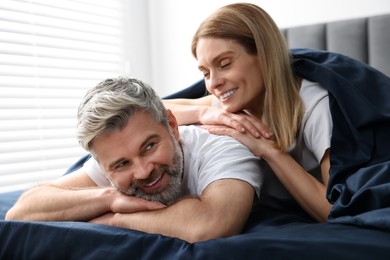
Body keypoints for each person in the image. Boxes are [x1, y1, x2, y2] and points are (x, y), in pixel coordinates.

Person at [163, 2, 390, 225]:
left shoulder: (316, 106)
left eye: (224, 64)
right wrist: (204, 113)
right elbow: (152, 111)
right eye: (205, 72)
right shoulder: (229, 101)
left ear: (264, 55)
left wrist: (270, 151)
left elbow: (336, 209)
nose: (214, 83)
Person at [6, 77, 263, 243]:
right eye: (121, 164)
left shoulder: (222, 146)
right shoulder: (115, 156)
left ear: (172, 126)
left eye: (149, 146)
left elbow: (210, 224)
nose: (142, 171)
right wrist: (108, 198)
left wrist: (116, 219)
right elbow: (21, 212)